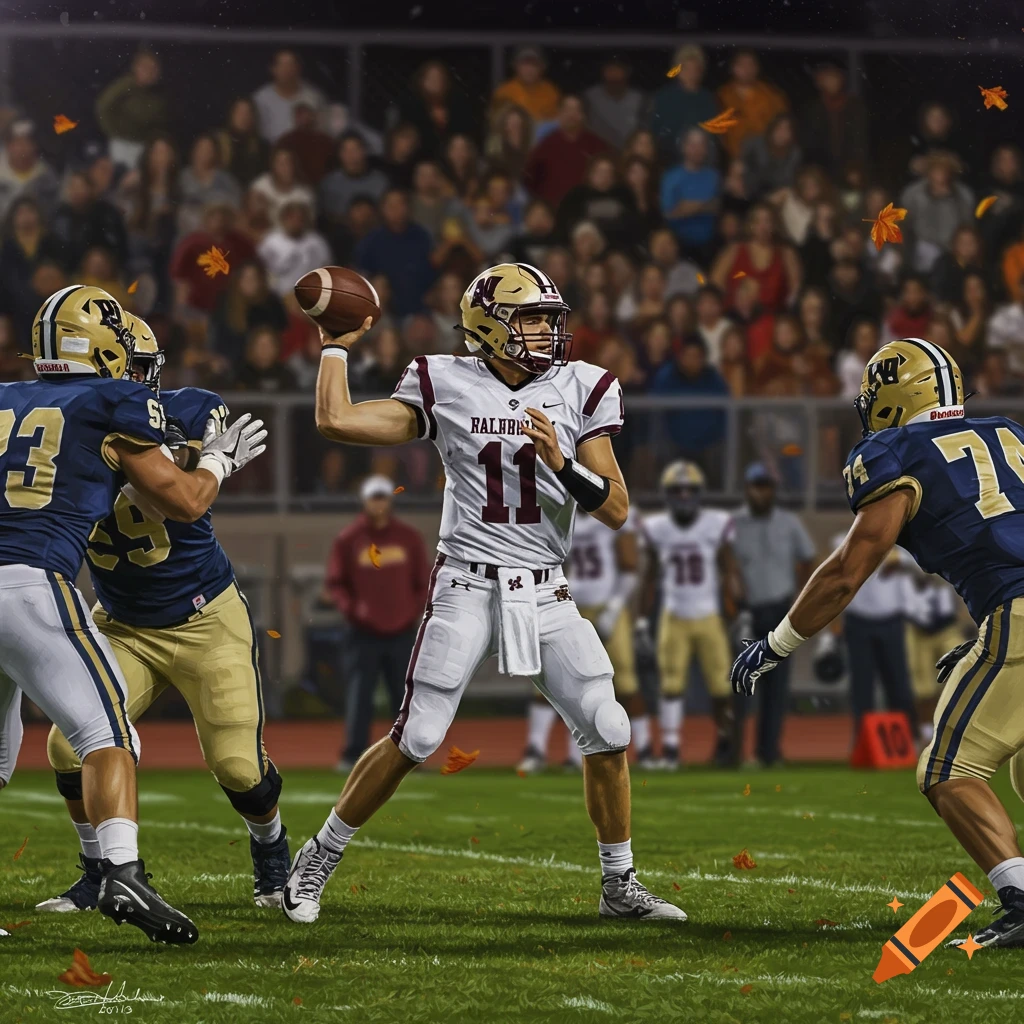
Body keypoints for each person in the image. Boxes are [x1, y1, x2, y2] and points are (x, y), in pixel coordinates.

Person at [283, 262, 686, 924]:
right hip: (467, 582)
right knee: (418, 736)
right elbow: (337, 421)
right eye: (530, 319)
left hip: (547, 591)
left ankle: (619, 884)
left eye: (549, 320)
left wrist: (563, 463)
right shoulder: (444, 380)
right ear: (487, 325)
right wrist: (334, 345)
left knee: (609, 728)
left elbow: (615, 509)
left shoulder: (583, 387)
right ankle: (319, 855)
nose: (546, 333)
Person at [728, 338, 1024, 948]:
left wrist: (779, 644)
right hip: (1010, 612)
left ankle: (1020, 899)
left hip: (1016, 611)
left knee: (948, 768)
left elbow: (847, 570)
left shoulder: (896, 449)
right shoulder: (1009, 432)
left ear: (894, 396)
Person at [0, 285, 266, 941]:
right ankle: (121, 873)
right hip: (32, 583)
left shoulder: (6, 397)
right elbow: (184, 502)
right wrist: (218, 460)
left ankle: (106, 873)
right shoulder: (111, 400)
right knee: (107, 732)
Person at [519, 507, 648, 773]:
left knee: (624, 680)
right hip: (567, 604)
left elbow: (630, 567)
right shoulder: (557, 512)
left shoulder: (614, 514)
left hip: (607, 605)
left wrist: (613, 609)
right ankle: (537, 748)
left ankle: (645, 749)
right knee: (550, 675)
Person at [640, 462, 742, 768]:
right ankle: (671, 750)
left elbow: (730, 569)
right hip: (674, 615)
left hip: (708, 615)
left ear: (699, 494)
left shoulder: (716, 523)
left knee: (722, 687)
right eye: (677, 491)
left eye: (689, 490)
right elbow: (650, 577)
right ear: (667, 495)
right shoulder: (657, 528)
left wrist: (739, 609)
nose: (684, 496)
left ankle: (726, 743)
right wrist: (643, 619)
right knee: (671, 685)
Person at [324, 475, 429, 771]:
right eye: (374, 497)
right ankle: (352, 755)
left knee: (404, 697)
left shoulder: (408, 537)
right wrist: (353, 609)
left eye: (383, 497)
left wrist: (411, 610)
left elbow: (423, 581)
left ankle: (409, 756)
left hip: (401, 630)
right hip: (362, 632)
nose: (379, 503)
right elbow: (336, 583)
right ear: (365, 501)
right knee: (360, 697)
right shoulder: (349, 539)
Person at [730, 463, 815, 767]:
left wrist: (799, 602)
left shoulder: (789, 523)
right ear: (748, 488)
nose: (761, 491)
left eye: (766, 485)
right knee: (740, 682)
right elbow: (727, 565)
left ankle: (769, 752)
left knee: (776, 688)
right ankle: (736, 753)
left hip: (780, 611)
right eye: (756, 485)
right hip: (747, 612)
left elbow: (808, 560)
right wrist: (733, 602)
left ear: (773, 489)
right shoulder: (735, 523)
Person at [830, 530, 917, 741]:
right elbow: (850, 571)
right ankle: (862, 740)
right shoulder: (841, 540)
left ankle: (906, 740)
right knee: (861, 685)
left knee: (898, 684)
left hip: (891, 620)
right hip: (858, 621)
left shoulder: (903, 545)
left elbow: (914, 568)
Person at [901, 567, 968, 745]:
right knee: (923, 686)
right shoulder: (905, 585)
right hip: (919, 634)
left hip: (946, 630)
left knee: (963, 674)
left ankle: (958, 729)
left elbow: (950, 613)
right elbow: (912, 614)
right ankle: (926, 732)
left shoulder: (944, 583)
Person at [649, 337, 729, 482]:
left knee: (721, 453)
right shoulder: (667, 376)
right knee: (660, 449)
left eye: (697, 356)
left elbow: (725, 412)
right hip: (674, 444)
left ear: (704, 358)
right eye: (688, 356)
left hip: (708, 446)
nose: (692, 361)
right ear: (680, 357)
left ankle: (720, 501)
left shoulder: (713, 378)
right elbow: (655, 412)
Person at [352, 189, 436, 319]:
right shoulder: (372, 240)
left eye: (400, 204)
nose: (395, 209)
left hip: (418, 306)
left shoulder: (422, 237)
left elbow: (432, 272)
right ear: (383, 210)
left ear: (408, 208)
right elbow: (362, 275)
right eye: (391, 205)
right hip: (382, 307)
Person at [523, 96, 610, 210]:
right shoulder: (546, 145)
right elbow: (530, 180)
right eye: (567, 109)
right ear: (559, 114)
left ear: (583, 115)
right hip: (552, 211)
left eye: (576, 110)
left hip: (588, 210)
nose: (571, 115)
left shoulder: (597, 146)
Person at [169, 203, 256, 318]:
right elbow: (179, 275)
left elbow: (253, 267)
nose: (219, 220)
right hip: (197, 304)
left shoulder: (240, 242)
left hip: (232, 304)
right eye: (214, 215)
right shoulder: (193, 242)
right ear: (206, 218)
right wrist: (181, 303)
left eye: (224, 216)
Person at [899, 152, 974, 274]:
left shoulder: (963, 195)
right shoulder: (913, 194)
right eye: (936, 170)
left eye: (944, 170)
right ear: (928, 172)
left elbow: (968, 225)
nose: (940, 175)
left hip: (953, 247)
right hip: (924, 245)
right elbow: (904, 223)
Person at [94, 50, 169, 170]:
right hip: (123, 143)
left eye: (153, 68)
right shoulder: (124, 87)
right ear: (136, 67)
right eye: (145, 67)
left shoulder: (159, 95)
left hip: (146, 145)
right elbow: (103, 107)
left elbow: (161, 122)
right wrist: (114, 132)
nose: (149, 72)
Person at [799, 61, 868, 180]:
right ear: (819, 82)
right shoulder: (812, 109)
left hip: (851, 168)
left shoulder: (854, 106)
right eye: (826, 78)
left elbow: (860, 141)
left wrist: (855, 167)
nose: (831, 82)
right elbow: (808, 143)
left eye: (834, 77)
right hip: (820, 169)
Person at [648, 44, 717, 164]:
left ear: (701, 71)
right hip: (669, 161)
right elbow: (656, 131)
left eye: (695, 69)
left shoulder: (708, 99)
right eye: (686, 68)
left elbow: (713, 134)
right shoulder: (663, 98)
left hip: (703, 161)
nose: (690, 73)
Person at [51, 171, 129, 276]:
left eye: (80, 186)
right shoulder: (61, 215)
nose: (75, 191)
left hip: (102, 267)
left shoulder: (105, 212)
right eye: (72, 186)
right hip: (67, 269)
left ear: (90, 189)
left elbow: (115, 246)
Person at [716, 49, 789, 160]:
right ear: (733, 68)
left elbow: (785, 128)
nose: (747, 69)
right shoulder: (722, 96)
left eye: (750, 64)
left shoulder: (772, 96)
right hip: (732, 159)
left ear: (757, 68)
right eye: (742, 65)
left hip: (765, 160)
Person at [660, 128, 720, 260]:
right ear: (684, 148)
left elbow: (718, 207)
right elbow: (668, 213)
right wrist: (704, 206)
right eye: (693, 145)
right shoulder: (671, 177)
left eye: (701, 144)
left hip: (710, 245)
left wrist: (688, 206)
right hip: (679, 246)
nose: (697, 149)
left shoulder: (713, 176)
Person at [257, 200, 331, 298]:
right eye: (291, 218)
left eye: (300, 219)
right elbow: (259, 269)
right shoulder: (270, 242)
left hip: (311, 295)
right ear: (283, 219)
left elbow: (327, 268)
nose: (296, 222)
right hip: (279, 296)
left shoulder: (317, 242)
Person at [252, 49, 325, 145]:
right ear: (273, 69)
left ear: (298, 68)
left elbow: (323, 130)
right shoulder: (260, 98)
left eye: (290, 65)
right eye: (281, 65)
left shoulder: (313, 96)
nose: (286, 69)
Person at [318, 132, 390, 228]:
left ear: (364, 152)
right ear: (339, 155)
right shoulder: (328, 183)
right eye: (346, 151)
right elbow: (325, 217)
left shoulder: (381, 182)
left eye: (355, 150)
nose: (351, 156)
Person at [177, 133, 242, 237]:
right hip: (188, 235)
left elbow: (236, 210)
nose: (205, 153)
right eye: (201, 148)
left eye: (209, 149)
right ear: (193, 151)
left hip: (219, 234)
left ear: (216, 153)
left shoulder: (227, 180)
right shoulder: (181, 178)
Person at [0, 120, 60, 223]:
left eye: (27, 142)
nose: (22, 148)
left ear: (35, 146)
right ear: (8, 146)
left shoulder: (47, 176)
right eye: (17, 142)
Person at [584, 57, 646, 150]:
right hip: (598, 152)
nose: (614, 74)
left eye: (618, 70)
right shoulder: (590, 97)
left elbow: (643, 128)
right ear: (603, 72)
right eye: (610, 70)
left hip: (630, 153)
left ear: (626, 73)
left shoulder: (639, 98)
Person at [491, 46, 561, 123]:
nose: (529, 69)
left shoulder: (551, 92)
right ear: (515, 66)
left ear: (542, 67)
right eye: (524, 64)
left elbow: (558, 124)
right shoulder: (504, 92)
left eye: (534, 64)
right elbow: (496, 123)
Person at [250, 146, 316, 227]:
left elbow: (306, 228)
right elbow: (250, 218)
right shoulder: (261, 185)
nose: (284, 167)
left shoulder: (304, 194)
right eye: (280, 163)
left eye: (287, 162)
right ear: (272, 166)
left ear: (294, 165)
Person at [216, 97, 270, 187]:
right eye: (239, 112)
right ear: (231, 115)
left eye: (248, 113)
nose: (244, 117)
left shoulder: (262, 147)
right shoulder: (218, 142)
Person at [278, 103, 335, 186]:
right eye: (300, 114)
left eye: (307, 113)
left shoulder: (326, 141)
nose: (304, 117)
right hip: (292, 187)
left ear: (314, 116)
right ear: (294, 117)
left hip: (322, 186)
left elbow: (332, 168)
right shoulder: (285, 141)